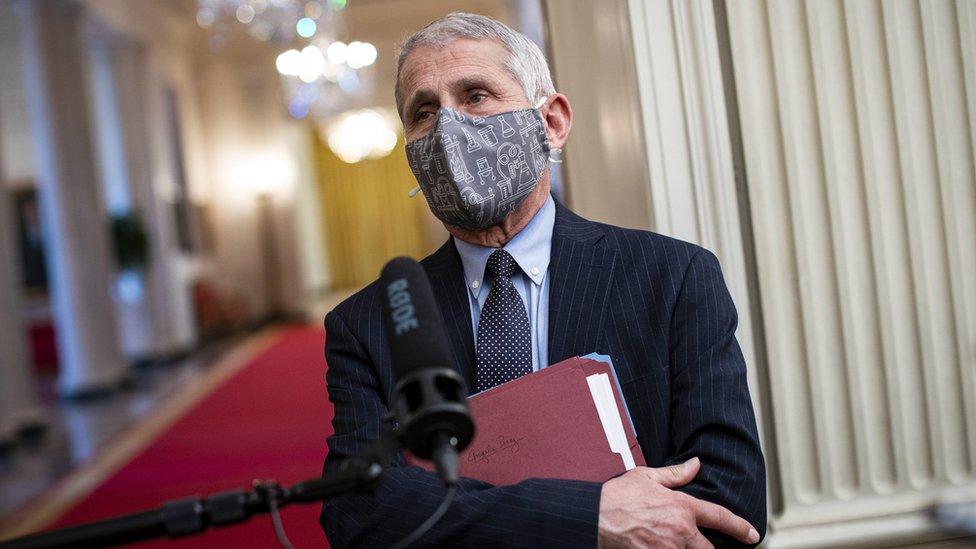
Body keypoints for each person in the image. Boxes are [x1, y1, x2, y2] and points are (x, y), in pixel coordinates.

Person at [320, 12, 766, 548]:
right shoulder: (367, 324)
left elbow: (729, 498)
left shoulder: (672, 278)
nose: (448, 129)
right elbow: (360, 514)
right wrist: (583, 519)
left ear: (551, 121)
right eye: (424, 111)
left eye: (476, 95)